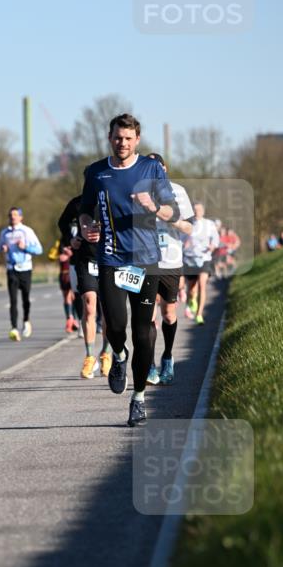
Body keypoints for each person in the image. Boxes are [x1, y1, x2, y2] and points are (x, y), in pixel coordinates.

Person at [80, 114, 179, 426]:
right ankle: (119, 356)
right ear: (109, 137)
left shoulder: (151, 169)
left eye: (128, 138)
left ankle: (138, 398)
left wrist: (152, 206)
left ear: (137, 140)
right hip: (110, 259)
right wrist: (86, 228)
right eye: (117, 137)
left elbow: (172, 211)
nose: (122, 143)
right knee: (116, 326)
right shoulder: (96, 172)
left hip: (146, 261)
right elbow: (84, 210)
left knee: (143, 333)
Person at [145, 153, 194, 385]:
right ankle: (150, 364)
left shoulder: (178, 191)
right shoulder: (138, 190)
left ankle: (167, 356)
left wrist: (168, 217)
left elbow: (189, 228)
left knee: (169, 314)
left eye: (158, 167)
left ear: (164, 169)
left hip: (170, 262)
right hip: (144, 262)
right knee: (148, 316)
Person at [58, 192, 110, 378]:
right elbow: (63, 222)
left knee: (108, 310)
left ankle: (106, 353)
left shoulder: (111, 198)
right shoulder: (77, 202)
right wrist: (69, 240)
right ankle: (89, 357)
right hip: (85, 260)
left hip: (108, 260)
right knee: (89, 306)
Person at [0, 207, 43, 340]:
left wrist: (26, 247)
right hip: (11, 269)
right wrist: (3, 248)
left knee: (25, 299)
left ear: (20, 217)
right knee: (13, 300)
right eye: (10, 215)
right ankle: (13, 328)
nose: (12, 217)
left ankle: (26, 321)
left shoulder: (27, 231)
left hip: (25, 269)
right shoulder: (4, 233)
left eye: (15, 215)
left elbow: (39, 250)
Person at [183, 202, 220, 325]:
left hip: (205, 258)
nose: (197, 212)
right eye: (195, 210)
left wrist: (212, 246)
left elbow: (216, 239)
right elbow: (182, 240)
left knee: (202, 285)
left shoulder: (209, 224)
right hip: (191, 258)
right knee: (192, 289)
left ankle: (199, 314)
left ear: (203, 211)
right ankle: (192, 299)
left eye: (199, 210)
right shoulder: (188, 225)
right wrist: (185, 245)